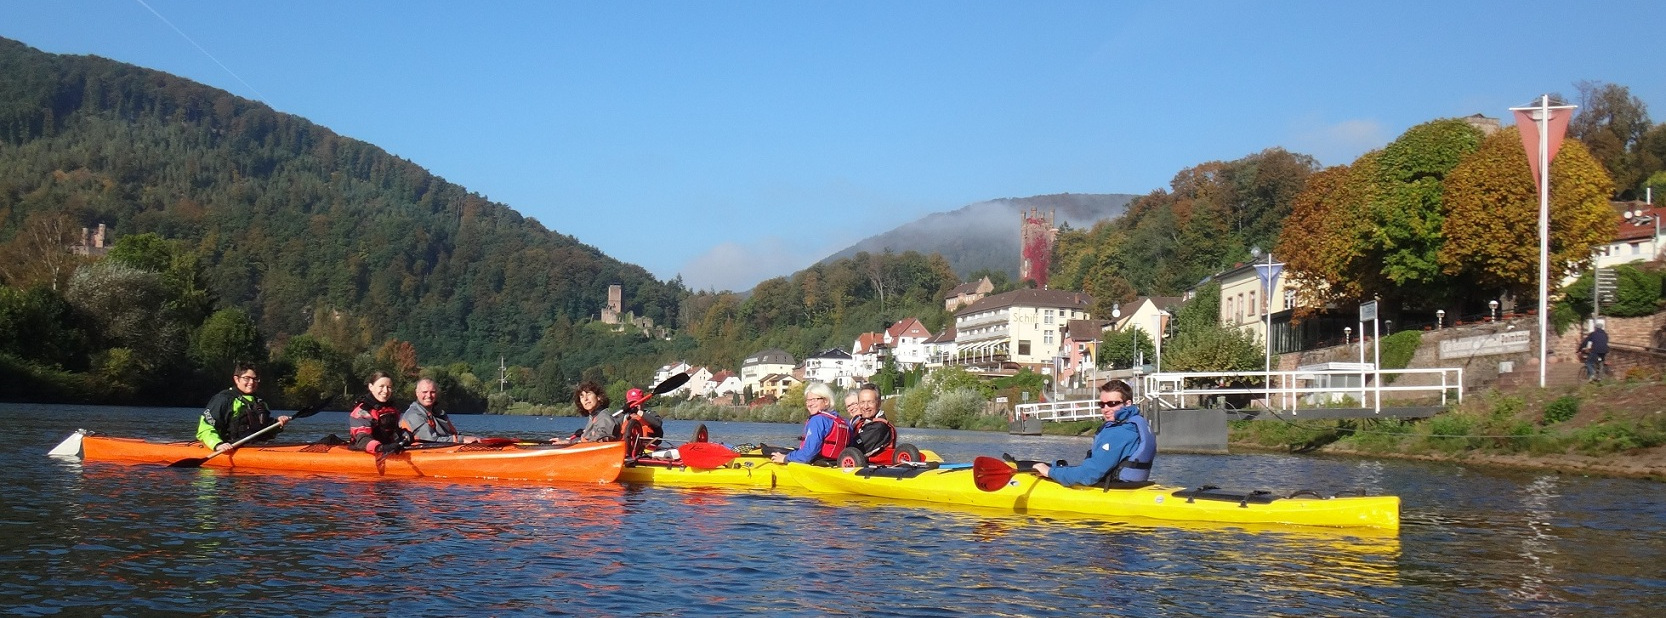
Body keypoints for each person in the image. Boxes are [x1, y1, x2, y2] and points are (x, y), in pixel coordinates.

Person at [1033, 380, 1155, 486]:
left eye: (1112, 404)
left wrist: (1050, 472)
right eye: (1102, 404)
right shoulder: (1135, 423)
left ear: (1127, 404)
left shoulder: (1121, 432)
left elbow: (1089, 475)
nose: (1106, 409)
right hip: (1133, 486)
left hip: (1117, 490)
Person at [196, 363, 291, 451]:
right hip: (230, 447)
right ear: (237, 379)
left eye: (255, 379)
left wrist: (278, 424)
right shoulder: (224, 399)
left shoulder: (259, 402)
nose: (251, 382)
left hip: (257, 447)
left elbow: (265, 432)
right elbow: (205, 428)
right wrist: (217, 444)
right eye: (247, 378)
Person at [769, 381, 849, 464]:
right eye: (808, 400)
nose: (810, 404)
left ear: (826, 401)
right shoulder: (844, 422)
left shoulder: (817, 420)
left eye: (814, 400)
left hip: (820, 466)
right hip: (837, 464)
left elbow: (808, 454)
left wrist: (785, 458)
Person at [401, 378, 479, 444]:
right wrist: (461, 439)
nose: (429, 396)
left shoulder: (439, 413)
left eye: (432, 392)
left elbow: (452, 433)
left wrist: (467, 438)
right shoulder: (413, 415)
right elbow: (431, 439)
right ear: (417, 393)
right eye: (424, 392)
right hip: (420, 453)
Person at [348, 371, 406, 455]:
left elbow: (396, 431)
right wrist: (380, 448)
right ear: (371, 387)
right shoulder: (362, 411)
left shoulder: (392, 409)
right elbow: (362, 439)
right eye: (381, 386)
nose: (386, 391)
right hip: (366, 451)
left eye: (389, 387)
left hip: (388, 448)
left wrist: (405, 435)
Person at [554, 381, 619, 444]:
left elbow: (602, 439)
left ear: (599, 397)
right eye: (582, 396)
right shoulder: (593, 417)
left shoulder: (604, 417)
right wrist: (566, 442)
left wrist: (572, 443)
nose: (585, 399)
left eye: (588, 394)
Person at [849, 382, 896, 458]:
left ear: (879, 403)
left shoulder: (879, 427)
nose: (865, 406)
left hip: (872, 467)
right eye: (862, 402)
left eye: (870, 402)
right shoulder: (859, 420)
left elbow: (854, 448)